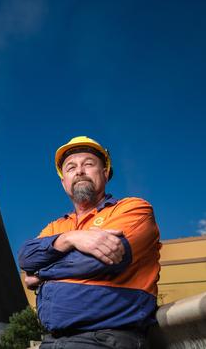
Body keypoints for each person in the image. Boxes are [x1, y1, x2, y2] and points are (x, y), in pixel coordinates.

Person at [18, 136, 161, 348]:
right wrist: (70, 239)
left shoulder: (132, 209)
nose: (79, 171)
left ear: (105, 173)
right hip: (52, 341)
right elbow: (26, 258)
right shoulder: (57, 227)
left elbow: (101, 261)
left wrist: (40, 274)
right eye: (71, 167)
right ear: (64, 182)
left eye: (88, 164)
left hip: (106, 338)